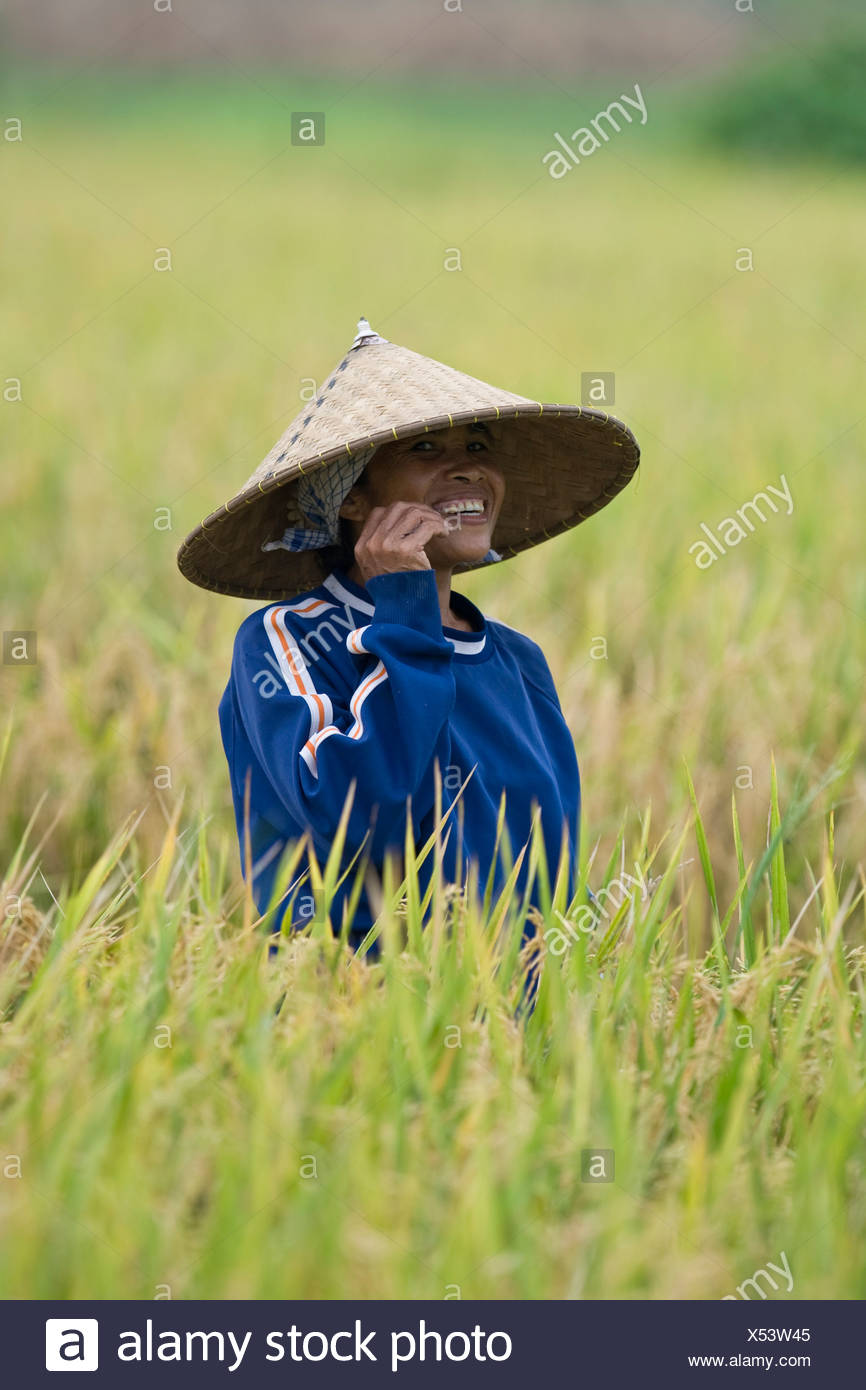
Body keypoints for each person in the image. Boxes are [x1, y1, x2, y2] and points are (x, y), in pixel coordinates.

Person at [177, 319, 640, 955]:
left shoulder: (517, 661)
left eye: (478, 447)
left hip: (515, 1024)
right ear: (351, 501)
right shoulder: (286, 641)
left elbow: (549, 869)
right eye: (425, 450)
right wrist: (404, 611)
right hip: (359, 1009)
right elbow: (363, 823)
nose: (468, 472)